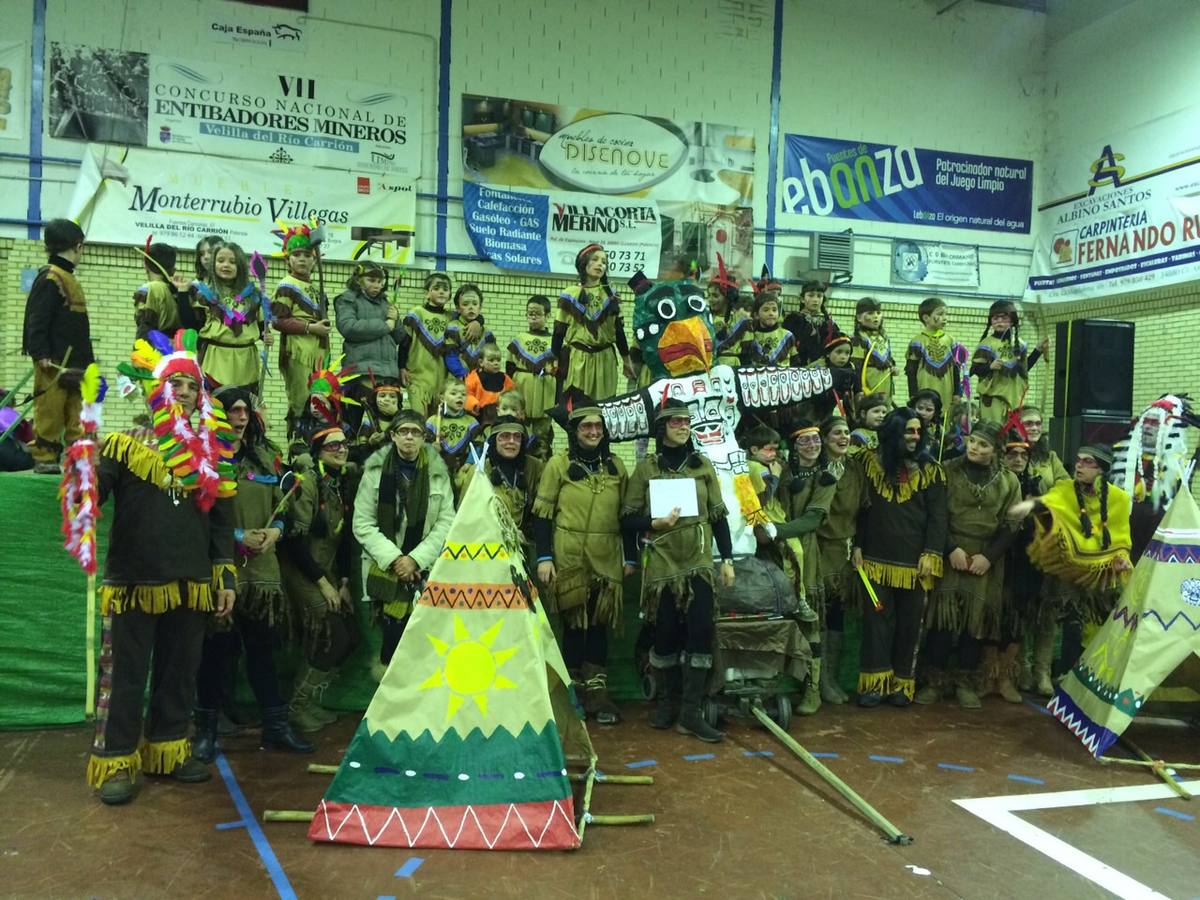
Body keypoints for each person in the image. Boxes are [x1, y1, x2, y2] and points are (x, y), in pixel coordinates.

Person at [87, 330, 237, 805]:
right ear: (157, 388)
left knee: (179, 672)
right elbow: (89, 496)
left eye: (192, 385)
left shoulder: (213, 450)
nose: (185, 392)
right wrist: (81, 460)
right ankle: (115, 760)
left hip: (191, 582)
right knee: (126, 675)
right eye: (176, 383)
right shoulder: (123, 443)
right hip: (135, 579)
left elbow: (222, 520)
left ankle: (169, 752)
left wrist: (225, 573)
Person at [192, 387, 313, 760]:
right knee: (216, 654)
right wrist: (237, 536)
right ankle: (206, 730)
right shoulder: (203, 458)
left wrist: (274, 533)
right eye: (233, 410)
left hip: (262, 571)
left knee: (263, 653)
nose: (241, 417)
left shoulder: (268, 458)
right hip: (221, 570)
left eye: (245, 410)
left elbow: (286, 509)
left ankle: (275, 726)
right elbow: (196, 516)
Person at [623, 399, 734, 742]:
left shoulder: (702, 465)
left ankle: (690, 713)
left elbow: (718, 516)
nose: (683, 426)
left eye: (687, 421)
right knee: (666, 633)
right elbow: (627, 519)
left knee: (700, 630)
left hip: (698, 561)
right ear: (662, 428)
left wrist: (726, 559)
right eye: (675, 422)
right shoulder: (646, 468)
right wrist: (652, 523)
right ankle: (666, 705)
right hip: (662, 562)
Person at [533, 389, 633, 725]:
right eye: (585, 427)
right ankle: (572, 694)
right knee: (574, 625)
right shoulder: (557, 465)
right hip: (569, 554)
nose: (592, 432)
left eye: (597, 427)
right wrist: (544, 557)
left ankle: (598, 694)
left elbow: (628, 515)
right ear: (574, 431)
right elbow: (543, 514)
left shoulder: (617, 467)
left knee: (600, 625)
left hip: (606, 556)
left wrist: (630, 557)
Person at [1010, 444, 1134, 683]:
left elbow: (1120, 539)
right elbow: (1049, 503)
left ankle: (1079, 675)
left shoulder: (1119, 499)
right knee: (1048, 615)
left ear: (1102, 469)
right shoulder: (1064, 489)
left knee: (1087, 620)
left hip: (1099, 571)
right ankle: (1038, 671)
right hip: (1065, 568)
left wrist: (1120, 559)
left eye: (1088, 462)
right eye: (1078, 460)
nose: (1079, 465)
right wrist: (1029, 506)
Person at [919, 422, 1022, 708]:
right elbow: (934, 514)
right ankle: (935, 683)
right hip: (950, 552)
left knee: (975, 625)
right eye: (973, 441)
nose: (975, 448)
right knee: (942, 621)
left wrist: (988, 557)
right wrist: (950, 549)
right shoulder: (947, 471)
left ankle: (965, 683)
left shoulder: (1008, 481)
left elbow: (1013, 524)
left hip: (985, 559)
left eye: (983, 444)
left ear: (996, 451)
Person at [852, 408, 947, 707]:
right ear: (893, 431)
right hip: (874, 560)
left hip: (916, 563)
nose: (915, 437)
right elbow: (860, 510)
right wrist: (856, 546)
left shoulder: (932, 470)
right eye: (909, 431)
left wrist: (932, 552)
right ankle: (874, 684)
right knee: (876, 622)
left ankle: (902, 684)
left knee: (909, 625)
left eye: (918, 431)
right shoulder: (867, 462)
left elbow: (938, 518)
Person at [354, 409, 455, 675]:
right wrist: (397, 559)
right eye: (403, 432)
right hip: (389, 570)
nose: (409, 437)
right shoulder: (374, 472)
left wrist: (416, 559)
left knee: (427, 640)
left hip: (426, 570)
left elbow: (446, 523)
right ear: (393, 436)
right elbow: (362, 523)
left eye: (415, 432)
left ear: (424, 437)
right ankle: (389, 700)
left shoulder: (438, 474)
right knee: (393, 636)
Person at [279, 426, 359, 733]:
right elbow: (294, 541)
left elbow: (343, 541)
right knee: (331, 633)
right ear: (318, 452)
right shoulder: (308, 482)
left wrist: (344, 583)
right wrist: (323, 584)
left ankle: (309, 700)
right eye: (332, 446)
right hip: (301, 570)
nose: (341, 449)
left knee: (350, 636)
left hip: (327, 570)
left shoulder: (340, 483)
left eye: (343, 444)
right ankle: (296, 707)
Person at [772, 424, 837, 714]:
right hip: (774, 555)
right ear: (794, 445)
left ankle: (812, 690)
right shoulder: (782, 472)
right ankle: (772, 684)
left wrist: (775, 531)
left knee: (809, 624)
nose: (812, 444)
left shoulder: (826, 479)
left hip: (805, 555)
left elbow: (813, 520)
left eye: (816, 439)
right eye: (805, 440)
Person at [21, 218, 94, 475]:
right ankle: (45, 456)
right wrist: (39, 352)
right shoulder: (50, 277)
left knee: (76, 411)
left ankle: (77, 457)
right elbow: (36, 319)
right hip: (53, 362)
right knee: (50, 411)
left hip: (75, 363)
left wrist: (88, 363)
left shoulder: (68, 278)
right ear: (77, 246)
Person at [815, 414, 863, 704]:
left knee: (836, 615)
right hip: (817, 549)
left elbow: (865, 512)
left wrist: (858, 545)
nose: (843, 438)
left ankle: (830, 679)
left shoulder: (855, 469)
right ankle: (816, 682)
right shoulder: (813, 468)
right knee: (819, 613)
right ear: (824, 439)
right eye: (836, 433)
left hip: (844, 551)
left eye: (846, 433)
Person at [994, 431, 1044, 702]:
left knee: (1015, 619)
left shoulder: (1035, 486)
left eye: (1024, 455)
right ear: (1002, 456)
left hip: (1024, 562)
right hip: (996, 557)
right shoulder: (995, 481)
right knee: (990, 618)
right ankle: (986, 677)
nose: (1018, 459)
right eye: (1012, 454)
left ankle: (1005, 678)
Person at [552, 244, 635, 402]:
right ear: (584, 264)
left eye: (604, 262)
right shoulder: (570, 295)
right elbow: (558, 331)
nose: (600, 264)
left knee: (604, 407)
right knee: (577, 407)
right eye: (595, 260)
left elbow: (619, 332)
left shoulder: (611, 295)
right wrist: (554, 358)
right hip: (578, 358)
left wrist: (626, 360)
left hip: (605, 359)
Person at [271, 224, 331, 433]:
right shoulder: (287, 285)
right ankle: (297, 446)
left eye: (307, 255)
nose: (302, 259)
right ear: (288, 260)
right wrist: (311, 327)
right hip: (297, 353)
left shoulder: (317, 289)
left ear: (315, 259)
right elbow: (277, 321)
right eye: (296, 255)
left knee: (319, 402)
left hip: (319, 353)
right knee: (301, 402)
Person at [457, 416, 543, 560]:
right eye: (504, 436)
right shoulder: (479, 470)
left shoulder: (533, 467)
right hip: (487, 550)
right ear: (494, 440)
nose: (511, 441)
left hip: (523, 549)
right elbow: (464, 516)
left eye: (517, 437)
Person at [191, 241, 272, 393]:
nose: (226, 265)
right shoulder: (205, 294)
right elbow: (196, 325)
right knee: (217, 408)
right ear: (213, 264)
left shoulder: (253, 296)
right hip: (216, 358)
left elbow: (261, 327)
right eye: (221, 261)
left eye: (232, 262)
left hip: (246, 361)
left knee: (244, 409)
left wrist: (265, 336)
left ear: (240, 266)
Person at [334, 261, 403, 433]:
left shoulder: (386, 303)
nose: (377, 285)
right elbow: (348, 327)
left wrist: (397, 319)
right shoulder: (348, 299)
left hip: (387, 374)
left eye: (380, 281)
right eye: (371, 280)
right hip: (361, 373)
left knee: (386, 426)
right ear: (358, 280)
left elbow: (398, 337)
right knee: (353, 425)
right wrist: (384, 325)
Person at [971, 300, 1048, 425]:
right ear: (991, 321)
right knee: (993, 430)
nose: (999, 321)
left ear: (1012, 321)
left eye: (1004, 317)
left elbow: (1023, 369)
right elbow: (975, 370)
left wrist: (1038, 351)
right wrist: (990, 367)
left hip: (1013, 398)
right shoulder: (986, 344)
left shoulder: (1020, 345)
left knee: (1011, 434)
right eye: (995, 318)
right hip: (992, 399)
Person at [399, 271, 455, 417]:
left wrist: (478, 321)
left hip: (441, 379)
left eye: (445, 289)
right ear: (427, 293)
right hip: (417, 376)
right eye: (436, 288)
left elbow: (473, 316)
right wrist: (401, 366)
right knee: (419, 418)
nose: (441, 292)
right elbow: (405, 342)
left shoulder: (451, 318)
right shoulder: (416, 314)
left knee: (435, 423)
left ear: (450, 295)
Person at [507, 294, 557, 456]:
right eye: (530, 313)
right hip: (522, 393)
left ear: (547, 315)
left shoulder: (555, 342)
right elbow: (509, 369)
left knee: (542, 439)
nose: (533, 316)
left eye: (538, 313)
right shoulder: (519, 340)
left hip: (545, 395)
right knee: (519, 436)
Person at [905, 297, 963, 414]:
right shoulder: (917, 341)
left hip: (947, 389)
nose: (945, 318)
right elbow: (911, 370)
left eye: (946, 314)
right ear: (926, 318)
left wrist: (957, 392)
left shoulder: (950, 340)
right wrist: (913, 394)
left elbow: (956, 369)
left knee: (944, 420)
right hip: (924, 388)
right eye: (940, 314)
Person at [425, 377, 480, 479]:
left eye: (463, 394)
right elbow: (423, 446)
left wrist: (469, 463)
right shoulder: (432, 422)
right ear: (442, 397)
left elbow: (478, 446)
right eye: (453, 394)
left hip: (463, 470)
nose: (459, 397)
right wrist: (431, 448)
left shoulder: (472, 423)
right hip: (438, 471)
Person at [132, 240, 184, 341]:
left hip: (155, 349)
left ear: (146, 265)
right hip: (175, 349)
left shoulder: (150, 289)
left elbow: (145, 329)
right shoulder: (175, 289)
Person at [707, 254, 750, 368]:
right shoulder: (705, 319)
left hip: (734, 368)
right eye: (709, 295)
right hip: (709, 368)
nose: (710, 299)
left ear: (728, 297)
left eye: (715, 296)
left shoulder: (742, 321)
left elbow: (747, 352)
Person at [849, 297, 896, 400]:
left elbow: (888, 359)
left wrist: (892, 366)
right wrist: (858, 390)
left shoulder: (884, 338)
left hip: (886, 384)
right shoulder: (858, 340)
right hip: (867, 385)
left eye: (878, 313)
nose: (876, 316)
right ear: (859, 317)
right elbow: (856, 368)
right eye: (870, 313)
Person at [784, 279, 839, 366]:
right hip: (797, 367)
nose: (815, 300)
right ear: (802, 299)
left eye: (819, 296)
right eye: (811, 295)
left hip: (823, 368)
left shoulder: (829, 323)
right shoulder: (793, 320)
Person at [445, 283, 495, 372]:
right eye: (465, 304)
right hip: (459, 381)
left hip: (480, 381)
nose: (471, 307)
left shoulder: (487, 333)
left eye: (475, 304)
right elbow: (450, 356)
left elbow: (492, 357)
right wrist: (462, 374)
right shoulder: (453, 328)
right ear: (458, 308)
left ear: (480, 307)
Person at [742, 291, 797, 367]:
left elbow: (795, 362)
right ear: (756, 315)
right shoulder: (750, 336)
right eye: (766, 310)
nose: (771, 313)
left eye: (774, 310)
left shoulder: (788, 336)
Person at [812, 333, 857, 421]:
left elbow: (849, 400)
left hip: (828, 410)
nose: (843, 357)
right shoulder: (817, 368)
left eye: (847, 353)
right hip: (809, 409)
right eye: (839, 352)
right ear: (828, 354)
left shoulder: (849, 369)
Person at [464, 342, 514, 421]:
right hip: (479, 416)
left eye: (498, 360)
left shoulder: (505, 378)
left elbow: (511, 394)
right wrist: (473, 405)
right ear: (481, 362)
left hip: (500, 416)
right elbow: (467, 394)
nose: (496, 363)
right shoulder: (473, 378)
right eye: (491, 360)